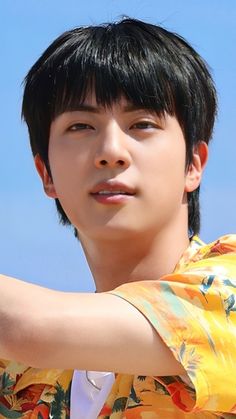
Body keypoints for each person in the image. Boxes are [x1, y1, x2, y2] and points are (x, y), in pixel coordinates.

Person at [0, 17, 236, 419]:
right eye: (81, 125)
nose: (110, 151)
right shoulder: (19, 375)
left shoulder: (227, 291)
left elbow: (29, 328)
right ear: (46, 174)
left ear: (193, 164)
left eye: (142, 124)